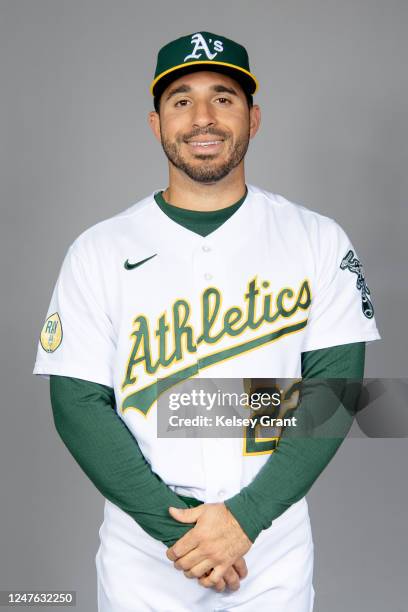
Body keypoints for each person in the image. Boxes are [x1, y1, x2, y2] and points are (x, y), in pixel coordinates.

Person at [33, 31, 381, 611]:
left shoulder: (318, 240)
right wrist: (181, 536)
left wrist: (245, 520)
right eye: (181, 100)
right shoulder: (98, 248)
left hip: (269, 536)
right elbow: (77, 403)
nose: (203, 118)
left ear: (254, 117)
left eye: (223, 98)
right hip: (145, 546)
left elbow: (336, 391)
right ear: (155, 123)